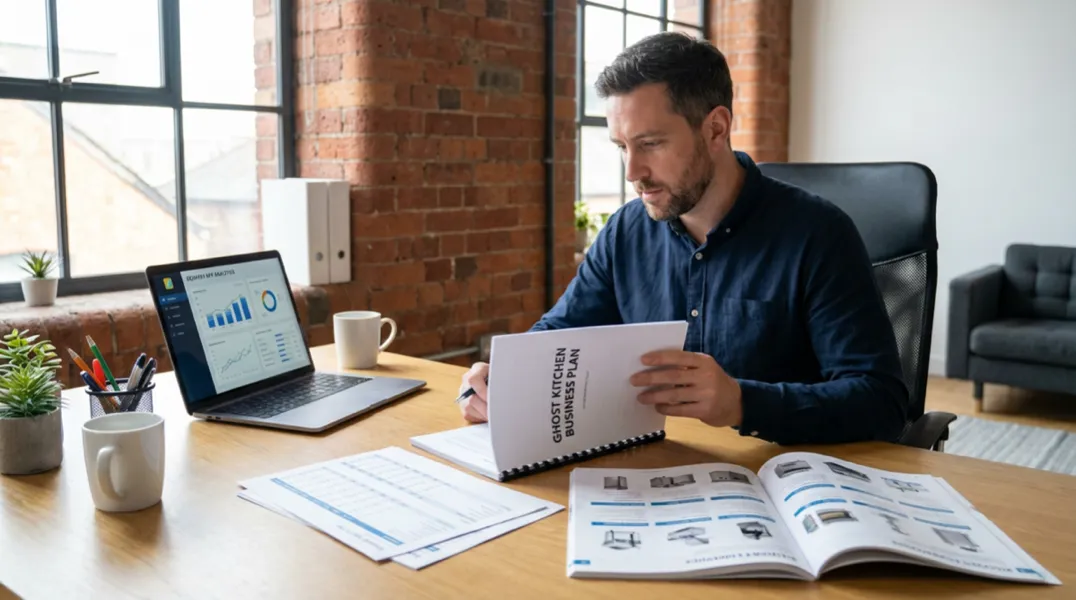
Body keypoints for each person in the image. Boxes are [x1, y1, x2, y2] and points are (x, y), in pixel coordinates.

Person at [457, 32, 910, 446]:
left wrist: (740, 402)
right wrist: (501, 379)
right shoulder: (625, 231)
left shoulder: (818, 234)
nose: (632, 172)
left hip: (778, 481)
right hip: (656, 469)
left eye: (650, 143)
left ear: (715, 128)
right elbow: (558, 336)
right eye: (621, 147)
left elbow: (880, 402)